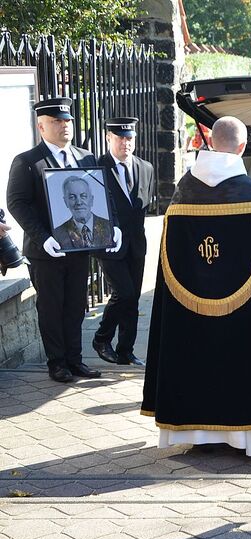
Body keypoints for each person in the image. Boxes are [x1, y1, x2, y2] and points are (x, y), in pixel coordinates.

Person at [141, 116, 251, 456]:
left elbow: (168, 263)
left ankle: (196, 434)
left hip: (187, 313)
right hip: (244, 318)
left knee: (194, 357)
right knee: (240, 361)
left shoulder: (182, 195)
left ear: (209, 141)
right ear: (241, 147)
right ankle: (245, 437)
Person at [6, 97, 110, 383]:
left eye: (67, 121)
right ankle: (57, 363)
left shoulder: (86, 157)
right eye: (56, 122)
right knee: (52, 307)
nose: (64, 126)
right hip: (46, 252)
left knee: (76, 305)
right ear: (41, 126)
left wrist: (110, 230)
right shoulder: (28, 161)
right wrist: (43, 238)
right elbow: (17, 203)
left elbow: (100, 197)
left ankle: (75, 360)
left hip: (79, 248)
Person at [93, 117, 155, 367]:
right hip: (109, 244)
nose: (125, 143)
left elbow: (143, 206)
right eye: (119, 138)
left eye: (129, 138)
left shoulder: (146, 168)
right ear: (109, 138)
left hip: (136, 244)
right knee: (124, 293)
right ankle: (101, 338)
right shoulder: (97, 167)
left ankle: (125, 350)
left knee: (134, 298)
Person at [52, 176, 113, 250]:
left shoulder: (109, 227)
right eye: (72, 197)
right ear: (66, 202)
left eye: (83, 196)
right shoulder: (58, 234)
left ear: (91, 199)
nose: (79, 202)